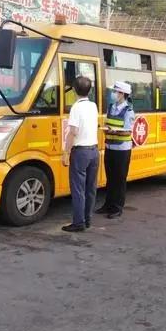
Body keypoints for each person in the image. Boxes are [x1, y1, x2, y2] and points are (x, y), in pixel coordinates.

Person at [61, 76, 99, 232]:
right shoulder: (93, 106)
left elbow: (73, 132)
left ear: (74, 90)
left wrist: (66, 152)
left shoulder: (76, 107)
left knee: (78, 189)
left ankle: (78, 223)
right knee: (90, 188)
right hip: (94, 151)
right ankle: (87, 219)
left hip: (81, 152)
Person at [96, 81, 135, 219]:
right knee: (110, 178)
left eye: (116, 92)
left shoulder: (128, 111)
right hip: (110, 147)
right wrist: (106, 129)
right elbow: (108, 124)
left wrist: (115, 131)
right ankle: (108, 205)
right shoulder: (111, 107)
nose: (113, 94)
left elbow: (128, 131)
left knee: (119, 179)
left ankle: (117, 207)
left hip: (122, 150)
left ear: (122, 94)